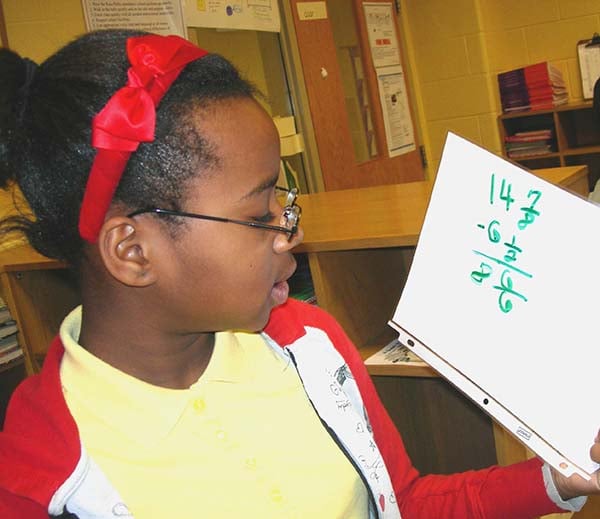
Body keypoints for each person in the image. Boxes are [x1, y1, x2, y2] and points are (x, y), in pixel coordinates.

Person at [0, 29, 598, 519]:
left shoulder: (307, 344)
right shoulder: (44, 478)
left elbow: (403, 502)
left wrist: (557, 481)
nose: (290, 232)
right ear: (132, 250)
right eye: (260, 214)